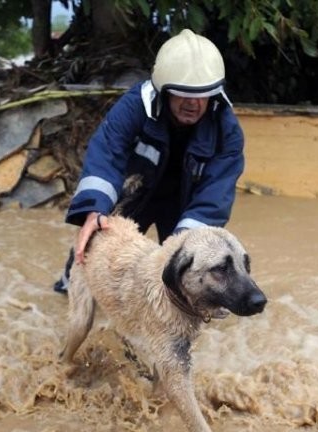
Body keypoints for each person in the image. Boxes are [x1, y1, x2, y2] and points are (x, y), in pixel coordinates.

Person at [54, 28, 245, 293]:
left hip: (185, 204)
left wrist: (186, 243)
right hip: (136, 192)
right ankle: (66, 289)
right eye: (182, 94)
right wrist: (95, 211)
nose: (192, 103)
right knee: (92, 249)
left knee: (182, 280)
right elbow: (106, 152)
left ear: (213, 93)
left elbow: (216, 194)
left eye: (201, 95)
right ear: (163, 91)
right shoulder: (134, 106)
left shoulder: (228, 130)